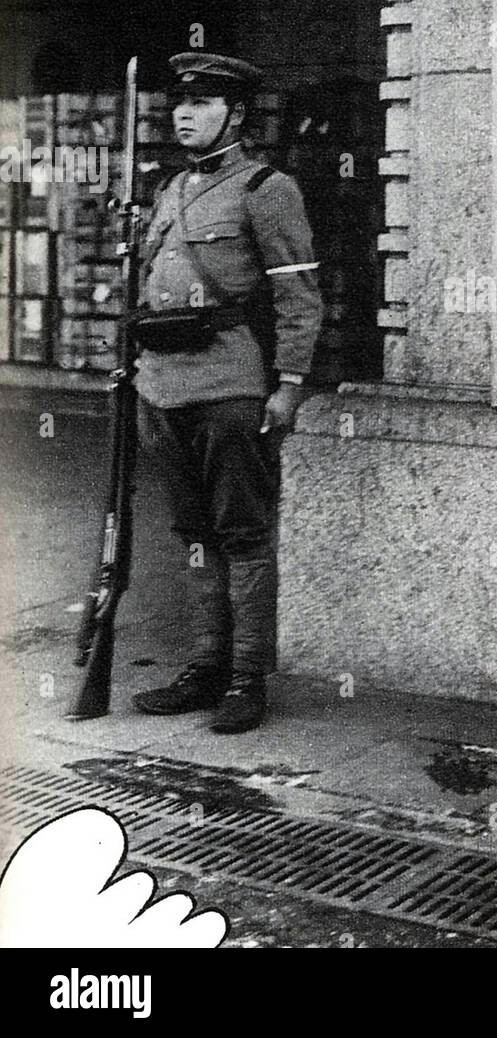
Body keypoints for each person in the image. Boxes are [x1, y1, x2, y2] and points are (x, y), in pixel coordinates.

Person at [131, 53, 322, 732]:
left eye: (203, 104)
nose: (184, 114)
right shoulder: (169, 189)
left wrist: (290, 384)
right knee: (191, 531)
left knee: (241, 534)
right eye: (180, 103)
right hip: (161, 386)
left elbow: (298, 297)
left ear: (236, 115)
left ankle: (245, 679)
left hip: (229, 386)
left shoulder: (267, 188)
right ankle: (205, 664)